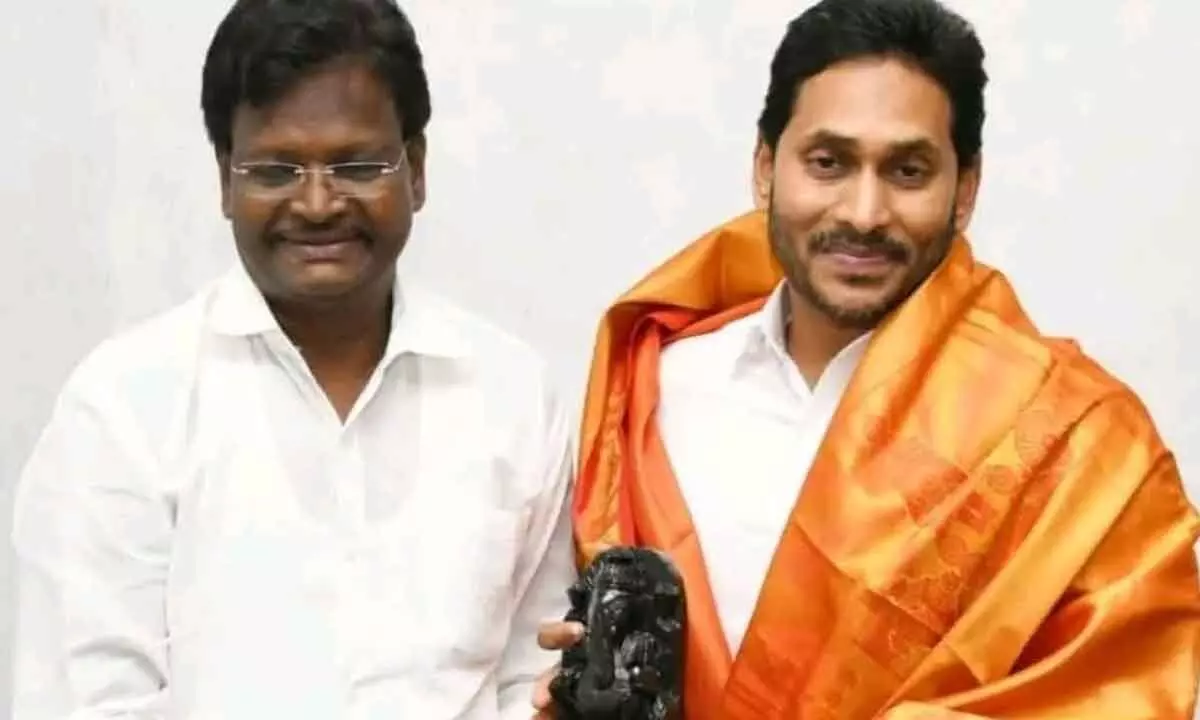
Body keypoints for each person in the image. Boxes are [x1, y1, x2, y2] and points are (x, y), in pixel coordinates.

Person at [533, 0, 1200, 718]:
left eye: (908, 171)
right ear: (765, 168)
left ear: (965, 189)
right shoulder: (658, 388)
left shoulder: (1074, 440)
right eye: (829, 163)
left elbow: (1124, 684)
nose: (863, 211)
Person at [10, 1, 574, 718]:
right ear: (224, 179)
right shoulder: (124, 406)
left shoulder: (512, 396)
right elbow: (81, 701)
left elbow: (532, 683)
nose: (315, 204)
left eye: (356, 165)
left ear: (417, 169)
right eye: (275, 170)